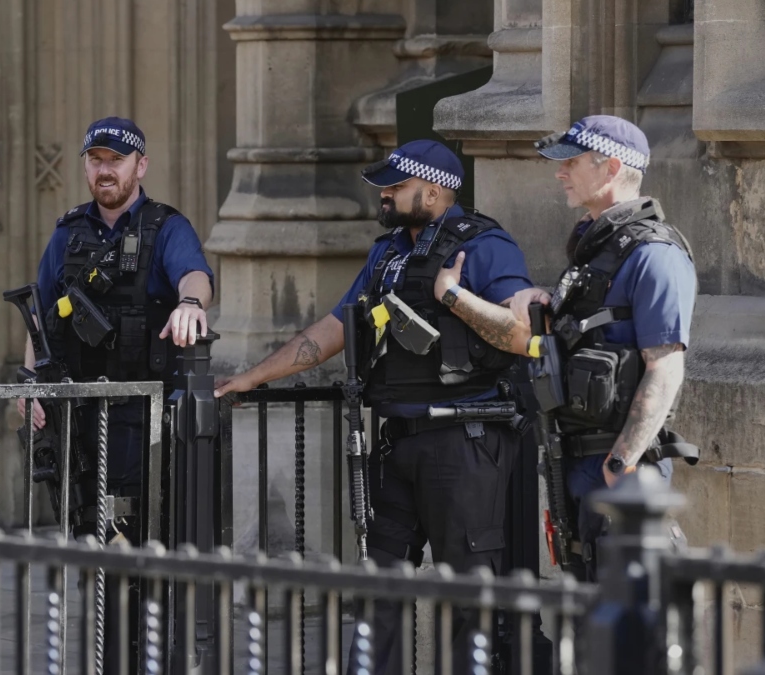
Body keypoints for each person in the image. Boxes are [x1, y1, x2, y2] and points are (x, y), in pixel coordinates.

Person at [216, 139, 541, 675]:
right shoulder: (387, 252)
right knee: (378, 587)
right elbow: (338, 327)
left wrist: (454, 296)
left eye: (396, 186)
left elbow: (519, 334)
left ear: (434, 191)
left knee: (470, 597)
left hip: (466, 441)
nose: (384, 195)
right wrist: (251, 377)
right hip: (401, 440)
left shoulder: (485, 245)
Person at [18, 116, 213, 666]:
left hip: (141, 425)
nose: (105, 170)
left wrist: (191, 304)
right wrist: (29, 386)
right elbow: (39, 320)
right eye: (96, 160)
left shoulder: (165, 227)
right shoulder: (67, 233)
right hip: (80, 421)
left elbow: (196, 277)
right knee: (96, 560)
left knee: (145, 561)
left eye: (116, 160)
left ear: (140, 166)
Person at [514, 115, 697, 580]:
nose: (560, 173)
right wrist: (542, 304)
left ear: (611, 167)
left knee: (631, 624)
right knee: (589, 612)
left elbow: (666, 367)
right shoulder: (595, 250)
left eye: (571, 162)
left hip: (618, 466)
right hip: (573, 458)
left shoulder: (656, 254)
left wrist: (623, 462)